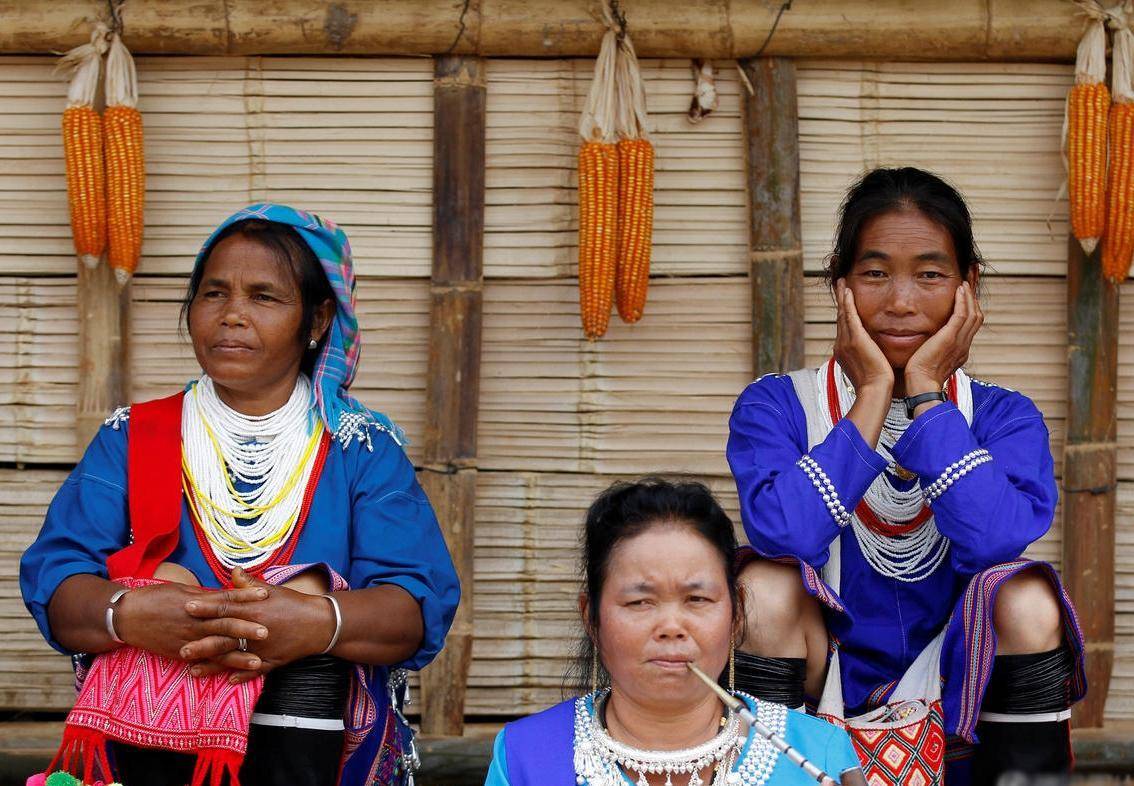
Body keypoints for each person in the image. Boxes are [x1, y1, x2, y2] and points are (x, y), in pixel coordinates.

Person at [20, 204, 461, 786]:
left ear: (317, 320)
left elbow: (414, 607)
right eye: (214, 293)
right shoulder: (134, 438)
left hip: (313, 762)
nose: (232, 316)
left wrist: (314, 621)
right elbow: (57, 584)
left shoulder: (362, 449)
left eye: (264, 297)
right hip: (148, 761)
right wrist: (132, 612)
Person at [726, 168, 1086, 783]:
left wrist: (924, 394)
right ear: (838, 283)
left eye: (930, 274)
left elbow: (993, 540)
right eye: (873, 273)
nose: (900, 301)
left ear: (968, 287)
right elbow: (786, 536)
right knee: (764, 588)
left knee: (1027, 597)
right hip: (821, 695)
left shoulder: (1003, 417)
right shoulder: (777, 407)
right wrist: (872, 392)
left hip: (957, 699)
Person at [484, 478, 866, 786]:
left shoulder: (819, 753)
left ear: (735, 615)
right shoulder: (525, 756)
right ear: (592, 618)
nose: (671, 627)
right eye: (639, 602)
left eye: (697, 599)